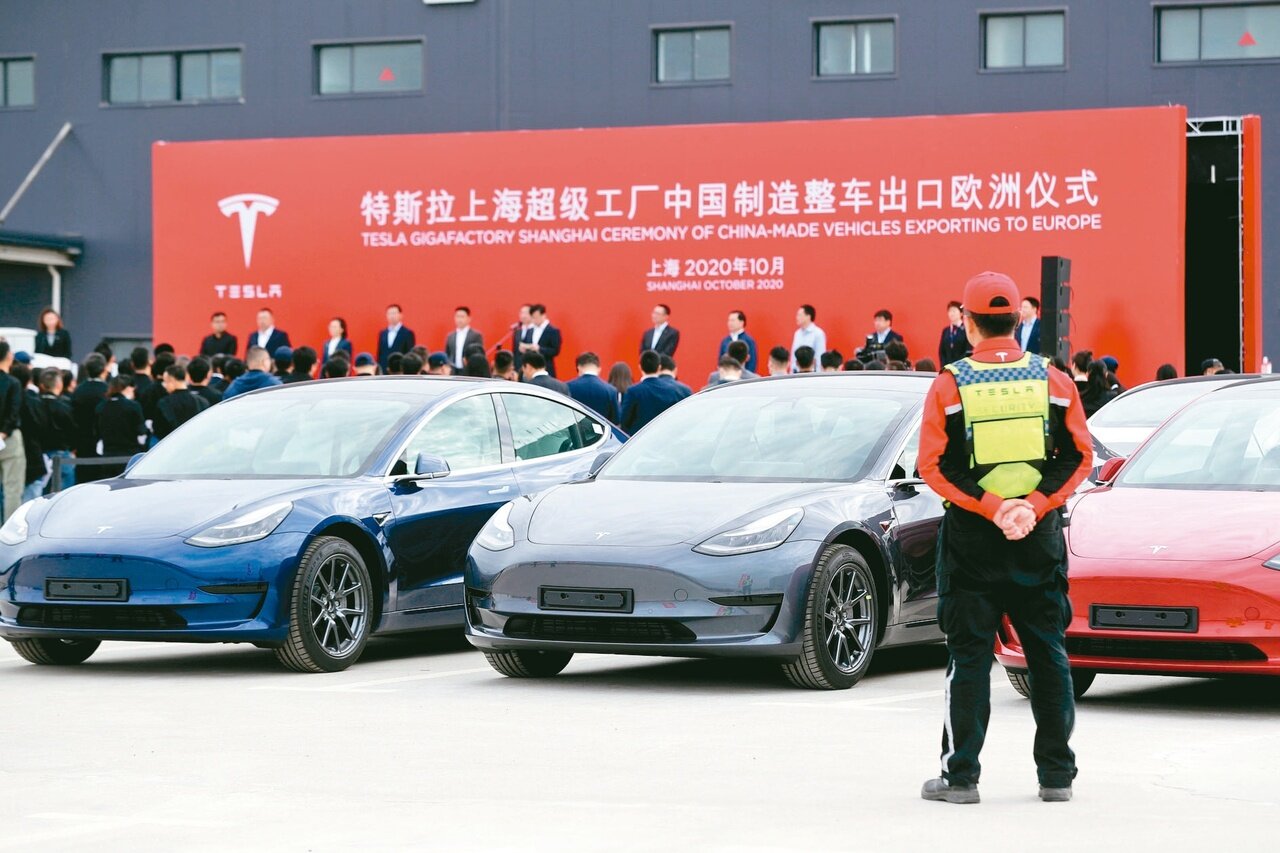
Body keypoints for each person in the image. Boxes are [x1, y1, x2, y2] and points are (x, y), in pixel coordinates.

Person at [917, 271, 1091, 806]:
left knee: (968, 659)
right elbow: (1079, 457)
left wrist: (993, 508)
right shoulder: (1053, 379)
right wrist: (1032, 506)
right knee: (1048, 654)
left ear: (968, 324)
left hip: (972, 543)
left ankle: (961, 779)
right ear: (1018, 320)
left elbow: (933, 466)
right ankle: (1056, 777)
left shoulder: (950, 385)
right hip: (1038, 539)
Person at [620, 350, 687, 434]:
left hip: (639, 437)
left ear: (640, 367)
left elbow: (624, 420)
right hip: (663, 435)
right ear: (659, 367)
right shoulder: (670, 390)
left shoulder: (633, 391)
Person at [33, 367, 74, 495]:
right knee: (65, 496)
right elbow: (72, 431)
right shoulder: (65, 407)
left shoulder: (33, 405)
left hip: (39, 454)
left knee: (41, 495)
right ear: (59, 384)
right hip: (61, 454)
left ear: (41, 384)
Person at [95, 375, 146, 477]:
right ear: (127, 388)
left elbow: (97, 432)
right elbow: (141, 433)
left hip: (108, 455)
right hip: (130, 456)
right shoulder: (133, 406)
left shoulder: (101, 407)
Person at [70, 352, 109, 481]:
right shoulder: (107, 390)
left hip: (82, 440)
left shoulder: (78, 390)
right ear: (103, 369)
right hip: (103, 441)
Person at [0, 342, 28, 520]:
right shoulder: (13, 383)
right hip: (9, 438)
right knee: (12, 489)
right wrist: (3, 433)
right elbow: (14, 412)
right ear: (9, 356)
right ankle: (8, 529)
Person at [154, 364, 210, 439]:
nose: (164, 386)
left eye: (165, 382)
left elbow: (158, 430)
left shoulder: (164, 403)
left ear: (171, 381)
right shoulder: (202, 401)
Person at [567, 352, 619, 422]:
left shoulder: (568, 387)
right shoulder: (611, 390)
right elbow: (615, 420)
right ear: (599, 369)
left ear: (578, 367)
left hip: (575, 427)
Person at [518, 303, 562, 377]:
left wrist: (539, 349)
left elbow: (555, 350)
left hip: (546, 367)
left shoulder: (553, 331)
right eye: (533, 317)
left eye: (536, 317)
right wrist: (523, 348)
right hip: (530, 368)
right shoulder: (530, 330)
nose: (534, 320)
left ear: (543, 315)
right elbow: (525, 343)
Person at [376, 304, 416, 370]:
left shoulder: (407, 333)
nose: (392, 316)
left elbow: (409, 354)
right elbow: (379, 354)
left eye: (394, 313)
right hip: (384, 370)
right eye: (389, 314)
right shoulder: (383, 333)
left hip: (400, 370)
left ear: (401, 315)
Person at [446, 306, 484, 371]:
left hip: (469, 370)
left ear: (469, 318)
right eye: (457, 316)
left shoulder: (476, 335)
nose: (459, 319)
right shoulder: (450, 336)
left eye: (462, 317)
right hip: (453, 370)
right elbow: (447, 353)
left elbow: (479, 354)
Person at [791, 305, 826, 369]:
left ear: (808, 316)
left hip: (811, 373)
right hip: (797, 373)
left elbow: (819, 357)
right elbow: (793, 357)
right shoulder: (797, 333)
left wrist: (818, 373)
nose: (797, 318)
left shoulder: (818, 333)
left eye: (799, 315)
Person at [938, 301, 970, 367]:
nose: (951, 314)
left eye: (954, 311)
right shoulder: (946, 331)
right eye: (949, 311)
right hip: (947, 367)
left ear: (961, 313)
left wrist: (958, 365)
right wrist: (944, 366)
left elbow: (968, 350)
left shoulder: (966, 330)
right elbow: (942, 351)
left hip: (961, 366)